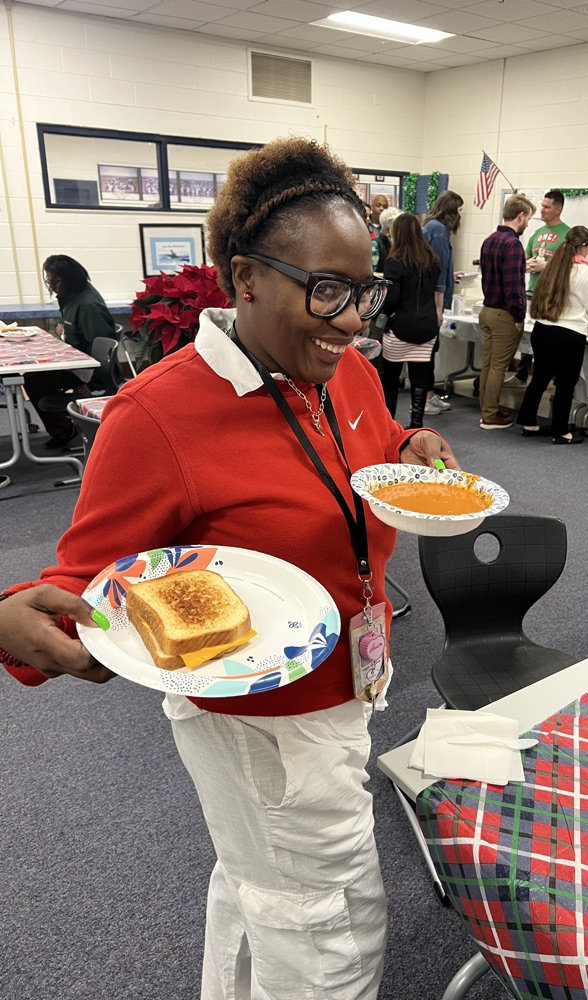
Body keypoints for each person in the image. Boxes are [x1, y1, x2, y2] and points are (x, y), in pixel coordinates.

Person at [0, 136, 459, 1000]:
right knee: (330, 921)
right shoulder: (158, 416)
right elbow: (78, 586)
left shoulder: (345, 372)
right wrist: (14, 623)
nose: (356, 318)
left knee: (265, 885)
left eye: (365, 290)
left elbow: (366, 453)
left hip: (348, 679)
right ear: (244, 279)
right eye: (326, 289)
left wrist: (411, 443)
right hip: (263, 723)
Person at [517, 226, 588, 444]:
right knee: (566, 385)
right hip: (568, 335)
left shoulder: (552, 267)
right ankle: (560, 432)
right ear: (584, 247)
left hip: (542, 329)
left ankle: (528, 422)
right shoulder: (584, 272)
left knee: (539, 379)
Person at [24, 255, 116, 448]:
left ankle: (64, 429)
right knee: (33, 376)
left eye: (53, 281)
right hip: (76, 362)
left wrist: (90, 383)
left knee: (35, 382)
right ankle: (64, 427)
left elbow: (101, 352)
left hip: (87, 370)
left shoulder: (88, 305)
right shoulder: (71, 296)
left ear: (67, 279)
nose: (51, 286)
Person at [477, 193, 536, 429]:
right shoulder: (513, 245)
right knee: (499, 366)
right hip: (504, 314)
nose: (528, 224)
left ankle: (487, 409)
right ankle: (490, 414)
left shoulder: (489, 239)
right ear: (520, 216)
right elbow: (513, 287)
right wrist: (519, 316)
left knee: (488, 364)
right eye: (529, 218)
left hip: (487, 309)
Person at [379, 213, 440, 427]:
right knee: (420, 380)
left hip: (400, 328)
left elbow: (392, 298)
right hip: (427, 328)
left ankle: (388, 423)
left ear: (397, 233)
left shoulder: (394, 262)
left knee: (391, 380)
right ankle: (416, 424)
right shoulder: (432, 260)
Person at [508, 189, 570, 387]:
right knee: (527, 336)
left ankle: (551, 378)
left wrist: (547, 267)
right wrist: (525, 265)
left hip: (551, 296)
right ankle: (521, 373)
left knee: (548, 341)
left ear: (558, 209)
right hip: (530, 293)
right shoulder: (537, 233)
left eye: (546, 207)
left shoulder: (567, 235)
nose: (541, 211)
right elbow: (524, 259)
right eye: (542, 206)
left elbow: (571, 266)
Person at [423, 190, 464, 417]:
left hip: (430, 299)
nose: (460, 216)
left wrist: (452, 275)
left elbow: (439, 270)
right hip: (432, 302)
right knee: (429, 351)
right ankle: (427, 397)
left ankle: (429, 394)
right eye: (459, 211)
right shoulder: (438, 231)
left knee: (430, 351)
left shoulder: (432, 227)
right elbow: (437, 274)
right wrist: (439, 309)